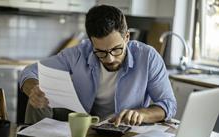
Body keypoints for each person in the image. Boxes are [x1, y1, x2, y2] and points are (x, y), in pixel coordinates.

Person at [19, 5, 177, 126]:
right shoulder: (78, 53)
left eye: (116, 49)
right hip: (83, 123)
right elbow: (29, 71)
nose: (109, 58)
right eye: (100, 51)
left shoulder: (148, 57)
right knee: (38, 97)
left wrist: (142, 114)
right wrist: (33, 89)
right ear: (91, 42)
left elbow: (168, 104)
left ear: (127, 37)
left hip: (122, 130)